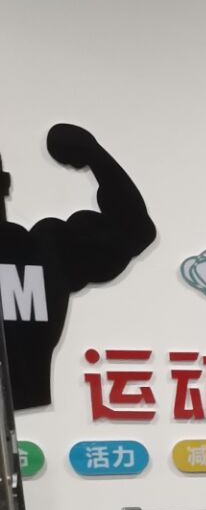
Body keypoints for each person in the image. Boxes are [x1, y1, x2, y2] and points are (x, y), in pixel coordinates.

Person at [0, 123, 155, 411]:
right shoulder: (43, 249)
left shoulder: (42, 249)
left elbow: (135, 232)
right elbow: (135, 232)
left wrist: (95, 156)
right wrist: (93, 154)